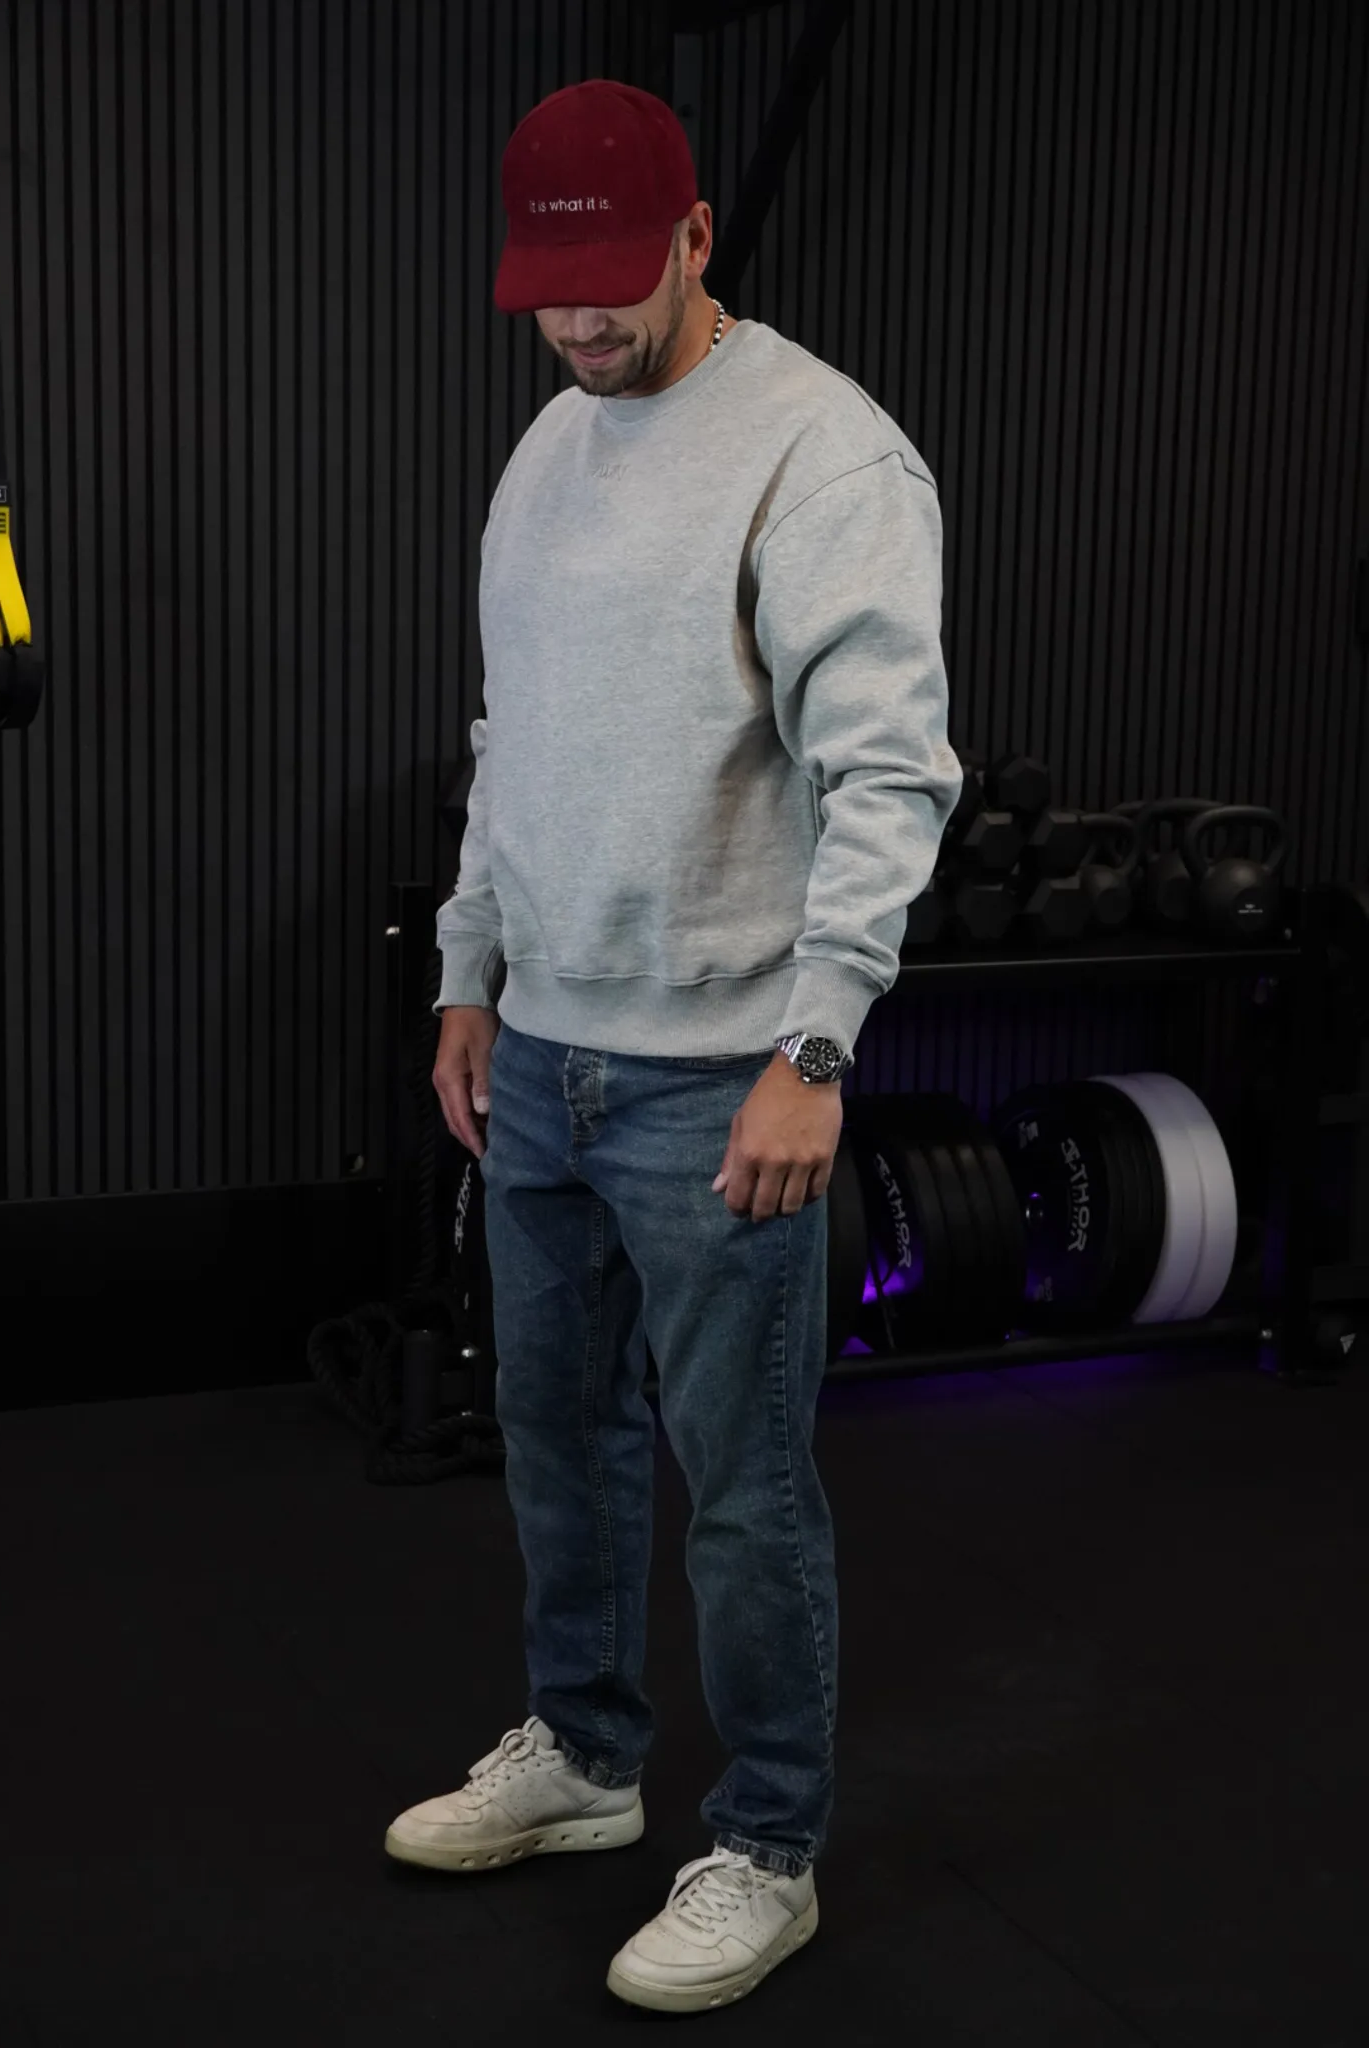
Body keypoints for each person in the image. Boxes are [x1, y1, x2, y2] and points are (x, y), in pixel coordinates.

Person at [385, 78, 960, 2015]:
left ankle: (770, 1844)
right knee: (555, 1438)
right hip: (542, 1061)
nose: (581, 324)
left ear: (698, 236)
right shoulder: (547, 450)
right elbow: (514, 743)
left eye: (615, 282)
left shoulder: (822, 452)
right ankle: (586, 1754)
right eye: (548, 291)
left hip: (723, 1073)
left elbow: (890, 774)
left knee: (742, 1485)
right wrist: (472, 967)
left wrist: (819, 1044)